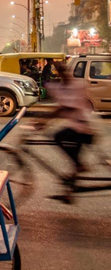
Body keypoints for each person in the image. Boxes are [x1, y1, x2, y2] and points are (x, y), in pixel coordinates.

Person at [42, 62, 96, 203]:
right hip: (78, 127)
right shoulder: (62, 87)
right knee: (74, 160)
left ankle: (78, 166)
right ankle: (69, 193)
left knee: (58, 137)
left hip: (84, 128)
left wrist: (44, 121)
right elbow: (61, 106)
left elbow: (65, 108)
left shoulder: (76, 85)